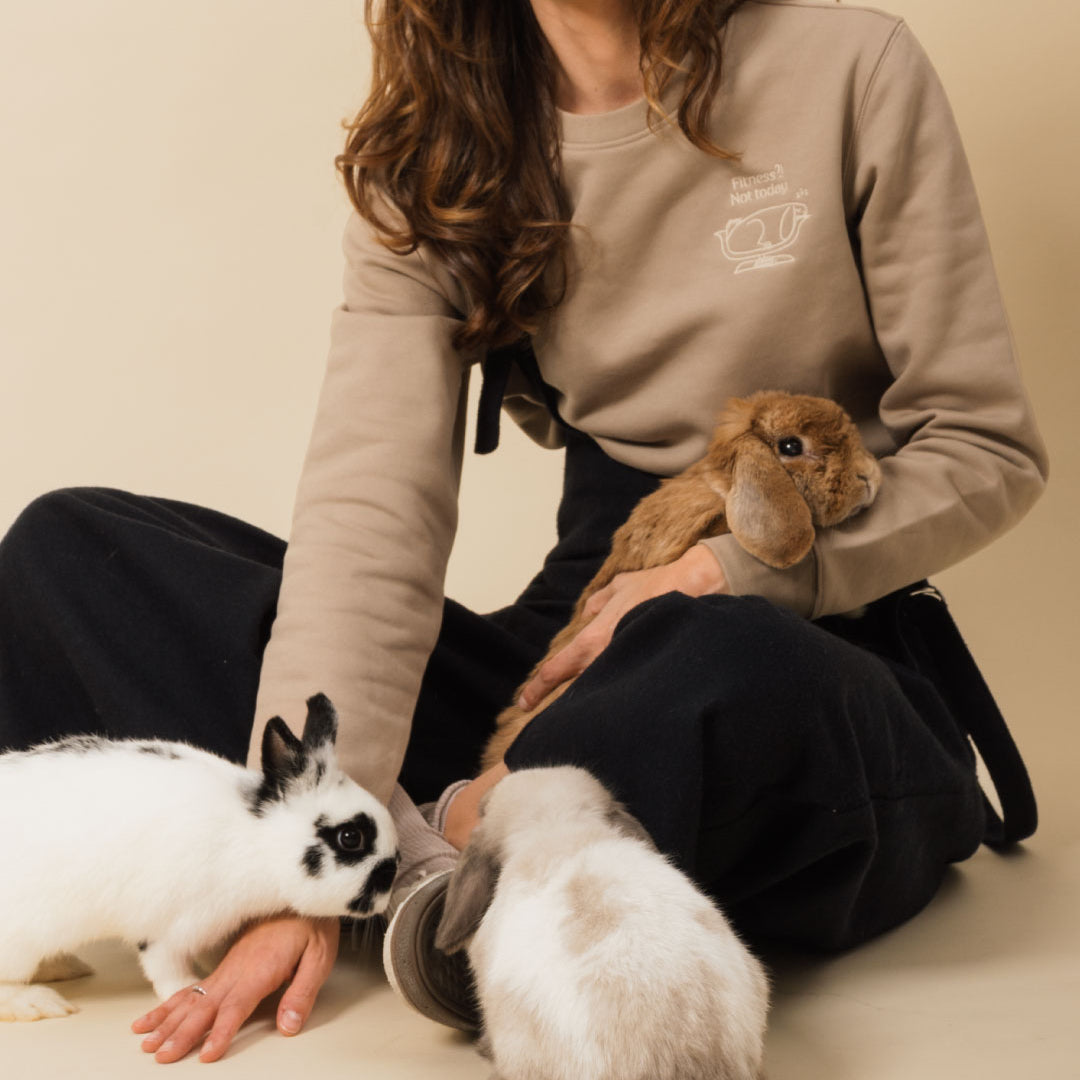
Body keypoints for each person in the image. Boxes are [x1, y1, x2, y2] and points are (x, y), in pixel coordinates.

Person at [0, 0, 1048, 1065]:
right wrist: (300, 839)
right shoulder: (437, 141)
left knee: (717, 661)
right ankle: (454, 860)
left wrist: (722, 572)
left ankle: (452, 860)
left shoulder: (851, 65)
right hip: (568, 648)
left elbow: (985, 444)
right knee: (69, 554)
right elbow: (374, 512)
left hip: (810, 641)